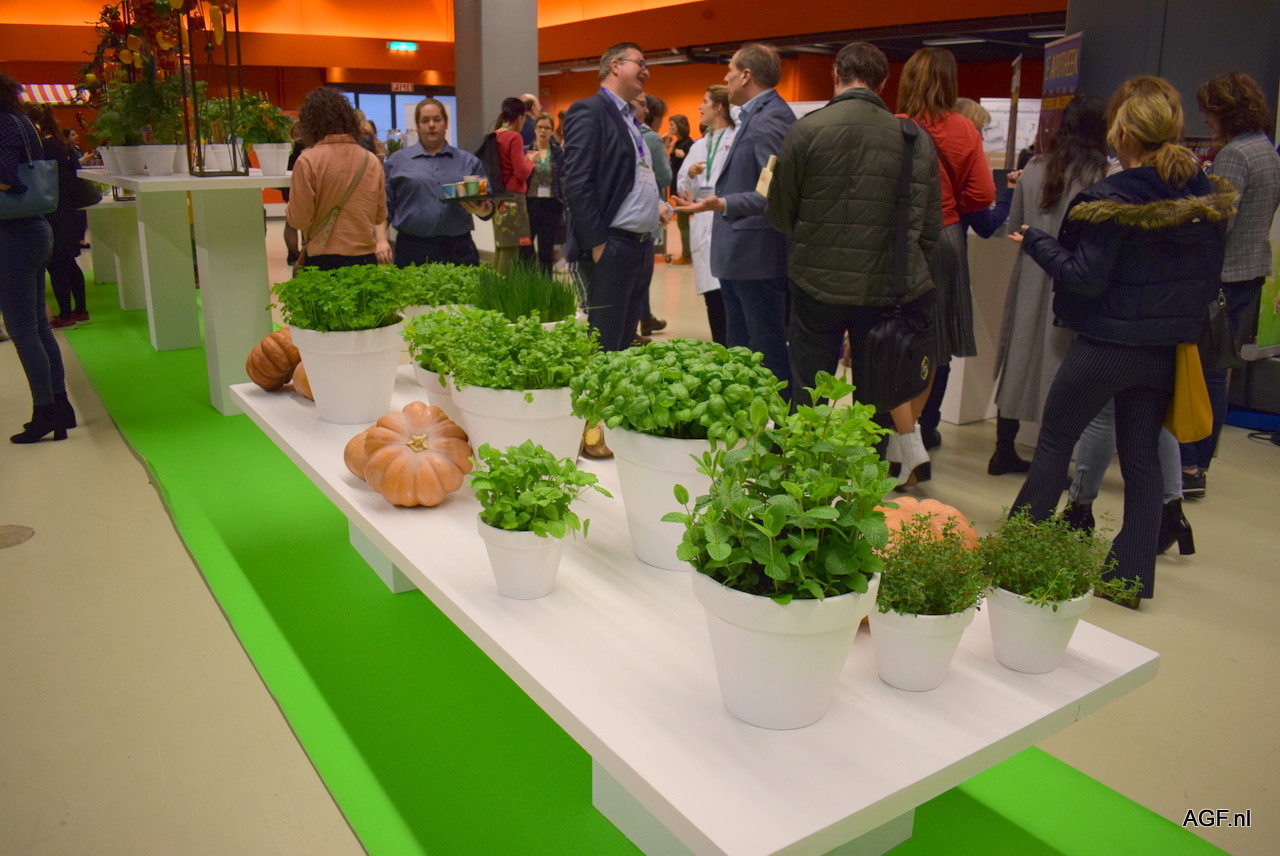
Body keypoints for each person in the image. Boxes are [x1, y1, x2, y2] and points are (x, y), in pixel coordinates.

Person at [1007, 75, 1234, 607]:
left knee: (1055, 442)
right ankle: (1127, 579)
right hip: (1165, 350)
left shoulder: (1110, 199)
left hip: (1105, 345)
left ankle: (1016, 562)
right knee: (1141, 459)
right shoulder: (1204, 194)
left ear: (1123, 132)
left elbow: (1084, 278)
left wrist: (1037, 242)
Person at [766, 41, 941, 467]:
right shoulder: (914, 139)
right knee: (875, 398)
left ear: (836, 74)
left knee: (810, 392)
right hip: (887, 289)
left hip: (815, 283)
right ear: (884, 82)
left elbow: (779, 215)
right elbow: (929, 228)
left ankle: (803, 480)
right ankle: (866, 484)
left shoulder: (807, 130)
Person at [991, 94, 1109, 475]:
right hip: (1073, 276)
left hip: (1029, 273)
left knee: (1018, 357)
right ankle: (1052, 462)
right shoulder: (1101, 176)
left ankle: (1002, 448)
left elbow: (1015, 228)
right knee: (1062, 366)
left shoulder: (1034, 168)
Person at [1179, 72, 1280, 499]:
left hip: (1221, 278)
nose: (1205, 119)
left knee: (1200, 375)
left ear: (1227, 112)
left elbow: (1218, 223)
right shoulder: (1267, 149)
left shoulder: (1235, 155)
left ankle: (1189, 464)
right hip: (1250, 271)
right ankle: (1199, 464)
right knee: (1218, 371)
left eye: (1210, 111)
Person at [675, 43, 796, 398]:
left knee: (765, 349)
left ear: (746, 75)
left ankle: (777, 423)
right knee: (741, 349)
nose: (725, 77)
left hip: (756, 256)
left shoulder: (769, 119)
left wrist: (723, 202)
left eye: (730, 69)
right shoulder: (757, 116)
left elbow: (772, 191)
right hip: (744, 256)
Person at [898, 48, 996, 451]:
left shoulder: (893, 126)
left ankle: (890, 432)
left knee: (894, 337)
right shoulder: (963, 129)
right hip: (945, 237)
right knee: (937, 343)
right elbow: (982, 194)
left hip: (899, 239)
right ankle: (924, 431)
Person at [562, 42, 664, 354]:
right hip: (612, 246)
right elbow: (577, 181)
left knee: (623, 344)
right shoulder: (590, 111)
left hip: (640, 245)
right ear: (615, 66)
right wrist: (598, 245)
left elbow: (632, 177)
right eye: (640, 63)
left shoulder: (630, 120)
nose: (646, 72)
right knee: (605, 345)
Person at [1, 71, 74, 443]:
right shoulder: (21, 121)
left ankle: (45, 410)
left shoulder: (3, 124)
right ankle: (59, 406)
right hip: (33, 227)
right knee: (37, 326)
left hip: (11, 233)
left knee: (22, 330)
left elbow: (7, 179)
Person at [286, 87, 391, 271]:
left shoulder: (307, 161)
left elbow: (299, 220)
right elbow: (380, 215)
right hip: (364, 259)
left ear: (311, 123)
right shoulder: (371, 161)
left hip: (321, 259)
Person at [384, 97, 493, 267]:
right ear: (418, 126)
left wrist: (482, 209)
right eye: (425, 120)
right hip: (412, 249)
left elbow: (487, 208)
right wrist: (380, 240)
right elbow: (385, 208)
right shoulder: (397, 162)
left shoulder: (468, 161)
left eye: (437, 119)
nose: (431, 125)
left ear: (446, 123)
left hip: (458, 249)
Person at [675, 85, 736, 344]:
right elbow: (682, 189)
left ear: (719, 107)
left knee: (731, 294)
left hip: (728, 218)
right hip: (703, 221)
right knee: (712, 297)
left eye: (704, 101)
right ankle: (721, 347)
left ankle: (736, 349)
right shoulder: (700, 145)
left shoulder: (738, 138)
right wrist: (689, 174)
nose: (700, 107)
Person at [23, 102, 89, 329]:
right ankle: (80, 310)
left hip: (52, 211)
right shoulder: (61, 144)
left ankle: (65, 314)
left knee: (56, 264)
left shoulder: (42, 146)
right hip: (68, 210)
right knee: (69, 262)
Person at [633, 93, 671, 341]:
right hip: (649, 209)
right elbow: (665, 177)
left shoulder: (629, 133)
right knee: (642, 273)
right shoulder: (652, 139)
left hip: (632, 213)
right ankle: (642, 319)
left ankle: (644, 317)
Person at [490, 97, 533, 274]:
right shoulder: (514, 137)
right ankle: (502, 288)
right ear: (520, 118)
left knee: (501, 246)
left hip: (498, 197)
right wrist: (530, 161)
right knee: (511, 248)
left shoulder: (494, 135)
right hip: (513, 198)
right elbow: (521, 172)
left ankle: (493, 286)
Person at [523, 112, 565, 273]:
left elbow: (563, 176)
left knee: (546, 249)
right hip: (530, 203)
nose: (543, 131)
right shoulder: (525, 151)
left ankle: (546, 283)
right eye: (540, 127)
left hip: (551, 204)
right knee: (525, 246)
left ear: (552, 131)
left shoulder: (557, 153)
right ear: (535, 129)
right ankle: (527, 281)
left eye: (547, 128)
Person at [666, 113, 694, 265]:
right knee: (682, 222)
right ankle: (687, 253)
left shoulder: (688, 144)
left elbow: (690, 164)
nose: (669, 127)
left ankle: (687, 255)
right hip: (678, 186)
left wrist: (681, 155)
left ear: (680, 126)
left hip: (684, 188)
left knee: (682, 222)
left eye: (672, 124)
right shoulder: (677, 143)